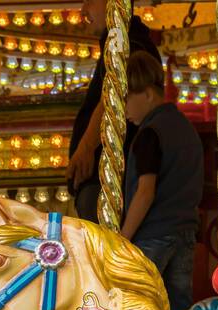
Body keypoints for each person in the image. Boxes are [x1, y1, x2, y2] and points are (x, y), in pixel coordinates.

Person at [119, 51, 203, 310]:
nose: (125, 109)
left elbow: (145, 191)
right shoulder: (185, 129)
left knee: (139, 307)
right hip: (185, 233)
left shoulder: (149, 133)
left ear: (146, 93)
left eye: (127, 98)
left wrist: (123, 238)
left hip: (153, 234)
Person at [67, 0, 160, 222]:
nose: (83, 11)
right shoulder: (119, 42)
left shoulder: (128, 42)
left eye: (90, 1)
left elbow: (115, 94)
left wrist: (87, 146)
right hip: (106, 181)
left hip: (112, 182)